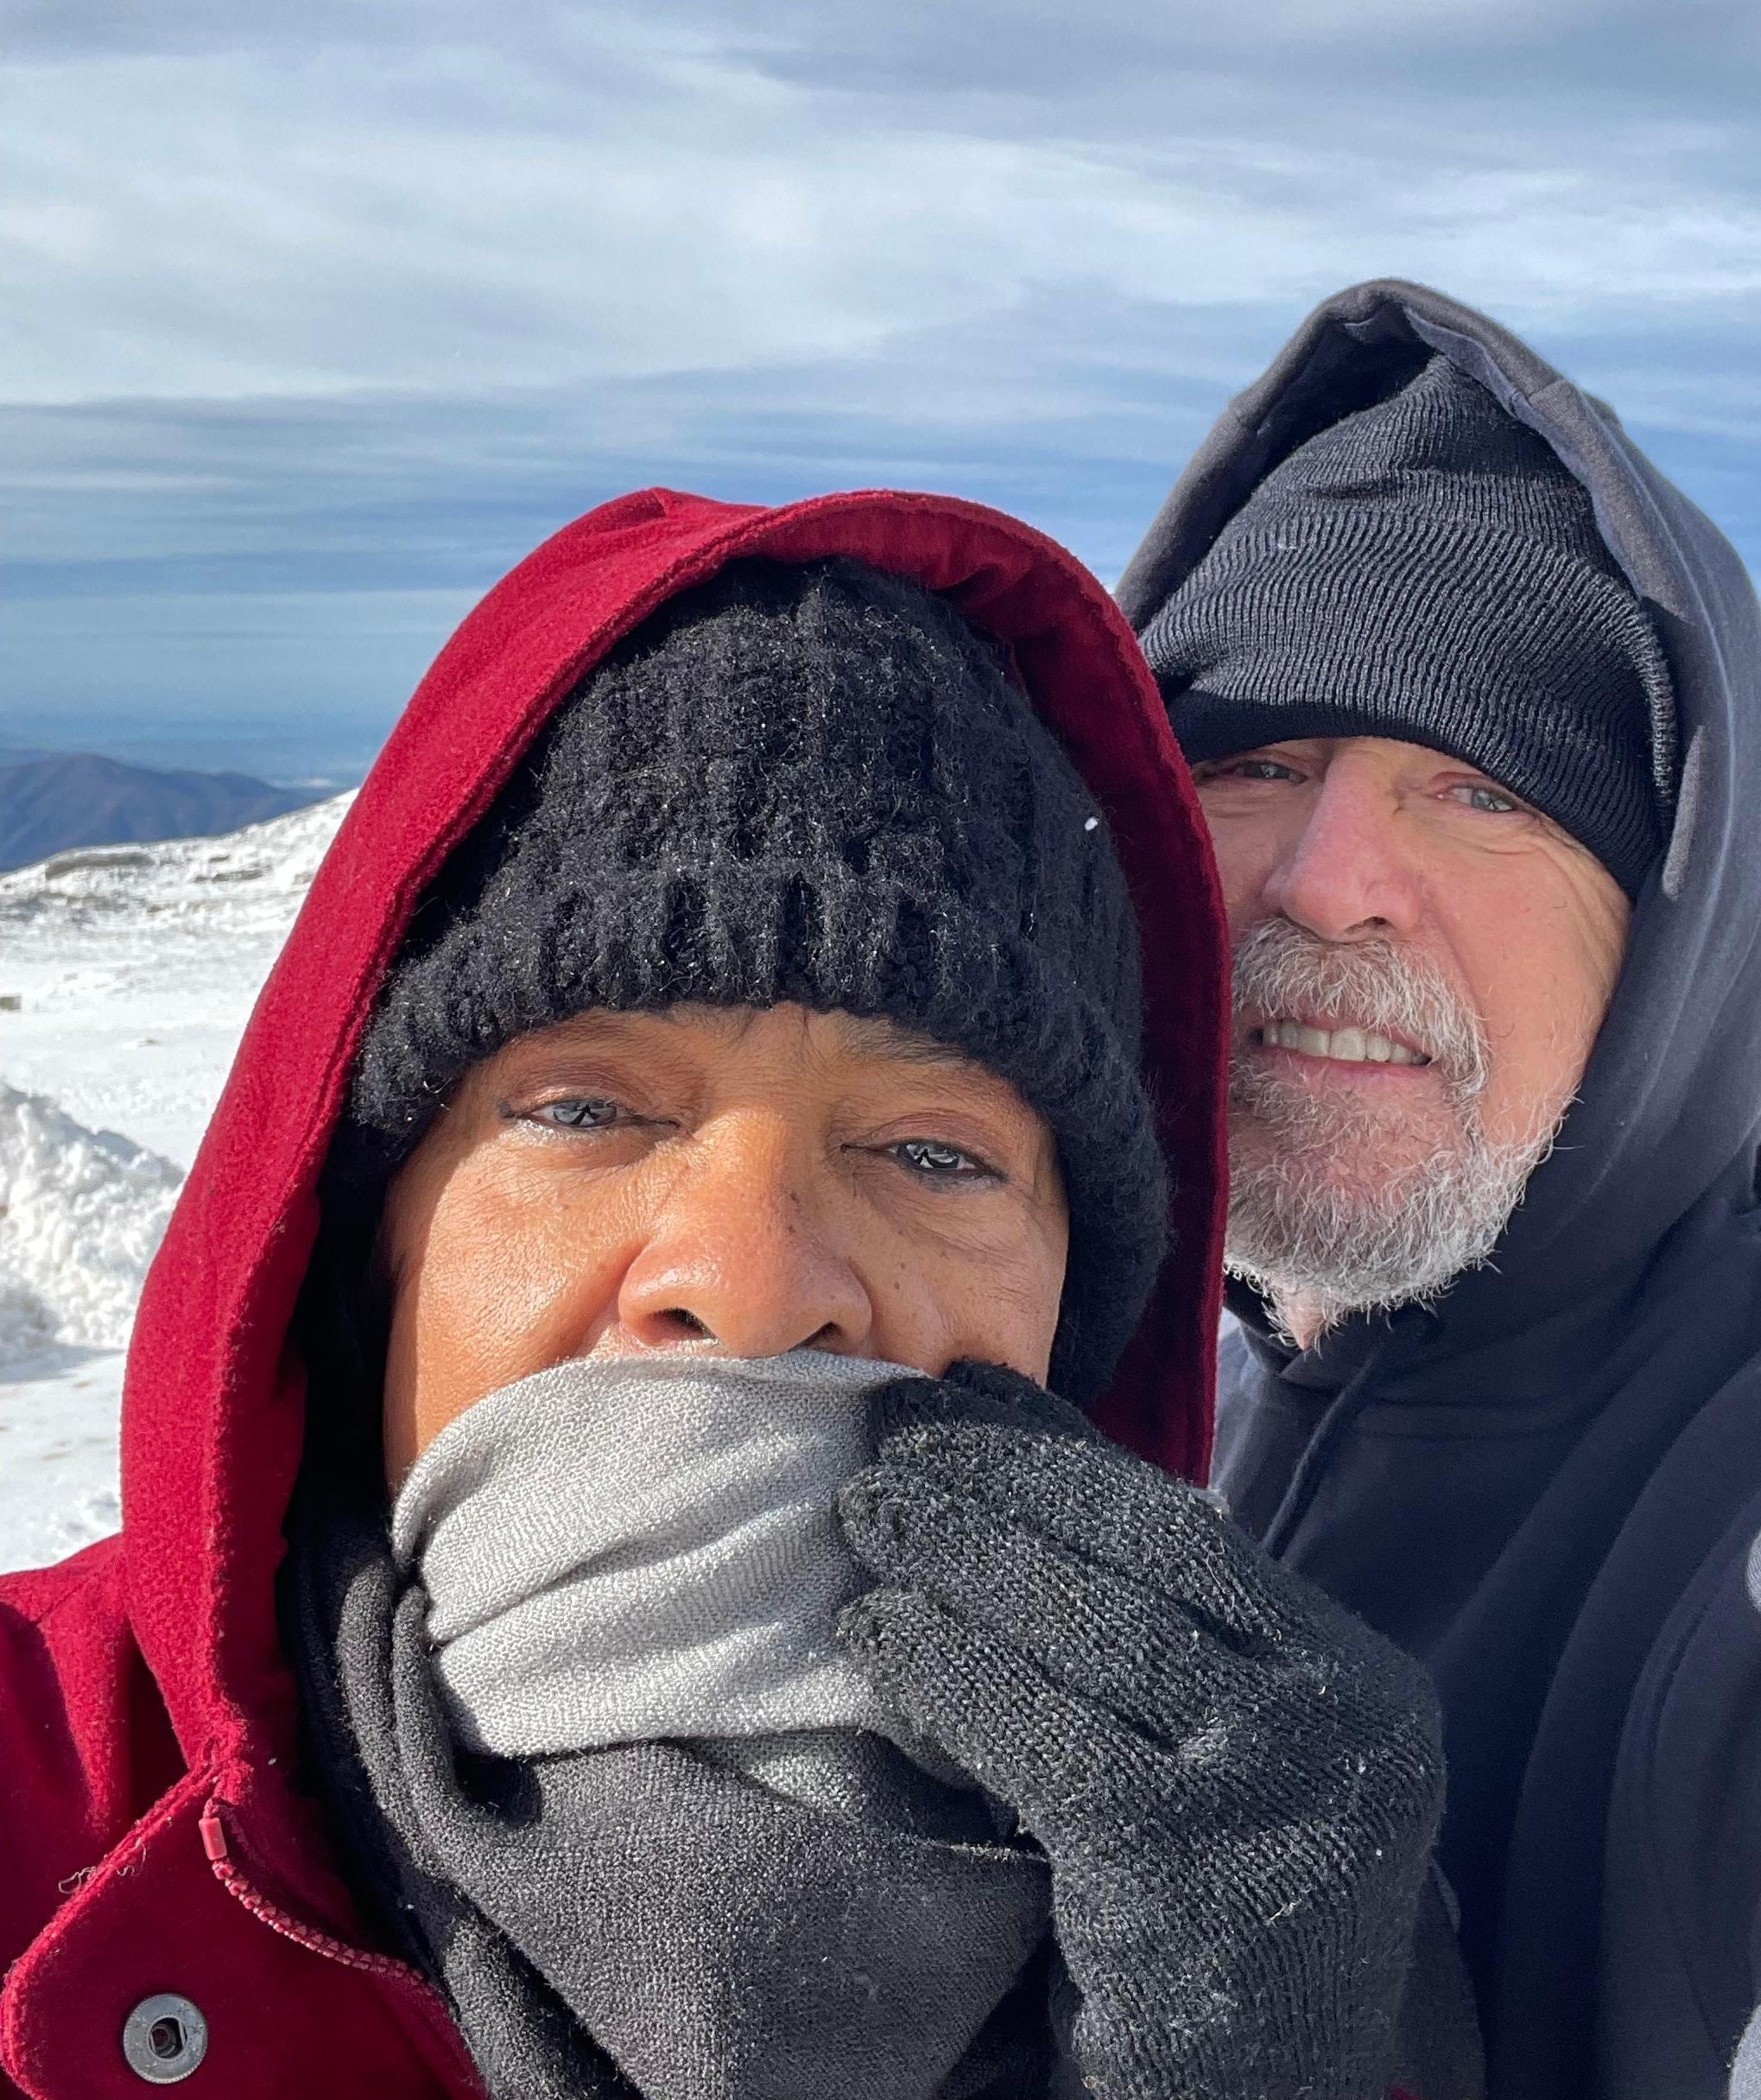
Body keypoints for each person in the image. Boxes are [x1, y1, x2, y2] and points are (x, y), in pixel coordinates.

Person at [0, 485, 1466, 2100]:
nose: (753, 1284)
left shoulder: (1296, 1900)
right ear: (367, 1242)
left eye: (931, 1153)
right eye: (584, 1112)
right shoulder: (36, 1793)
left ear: (1082, 1315)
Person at [1119, 275, 1761, 2100]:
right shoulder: (1097, 1330)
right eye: (1260, 763)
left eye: (1482, 788)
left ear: (1675, 918)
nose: (1331, 878)